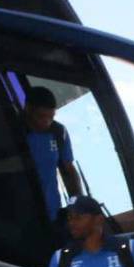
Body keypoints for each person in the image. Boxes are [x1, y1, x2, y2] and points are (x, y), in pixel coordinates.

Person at [24, 86, 82, 224]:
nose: (46, 122)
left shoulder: (58, 132)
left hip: (53, 215)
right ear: (28, 109)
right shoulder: (13, 131)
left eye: (51, 117)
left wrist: (78, 206)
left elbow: (68, 169)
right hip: (24, 216)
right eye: (41, 116)